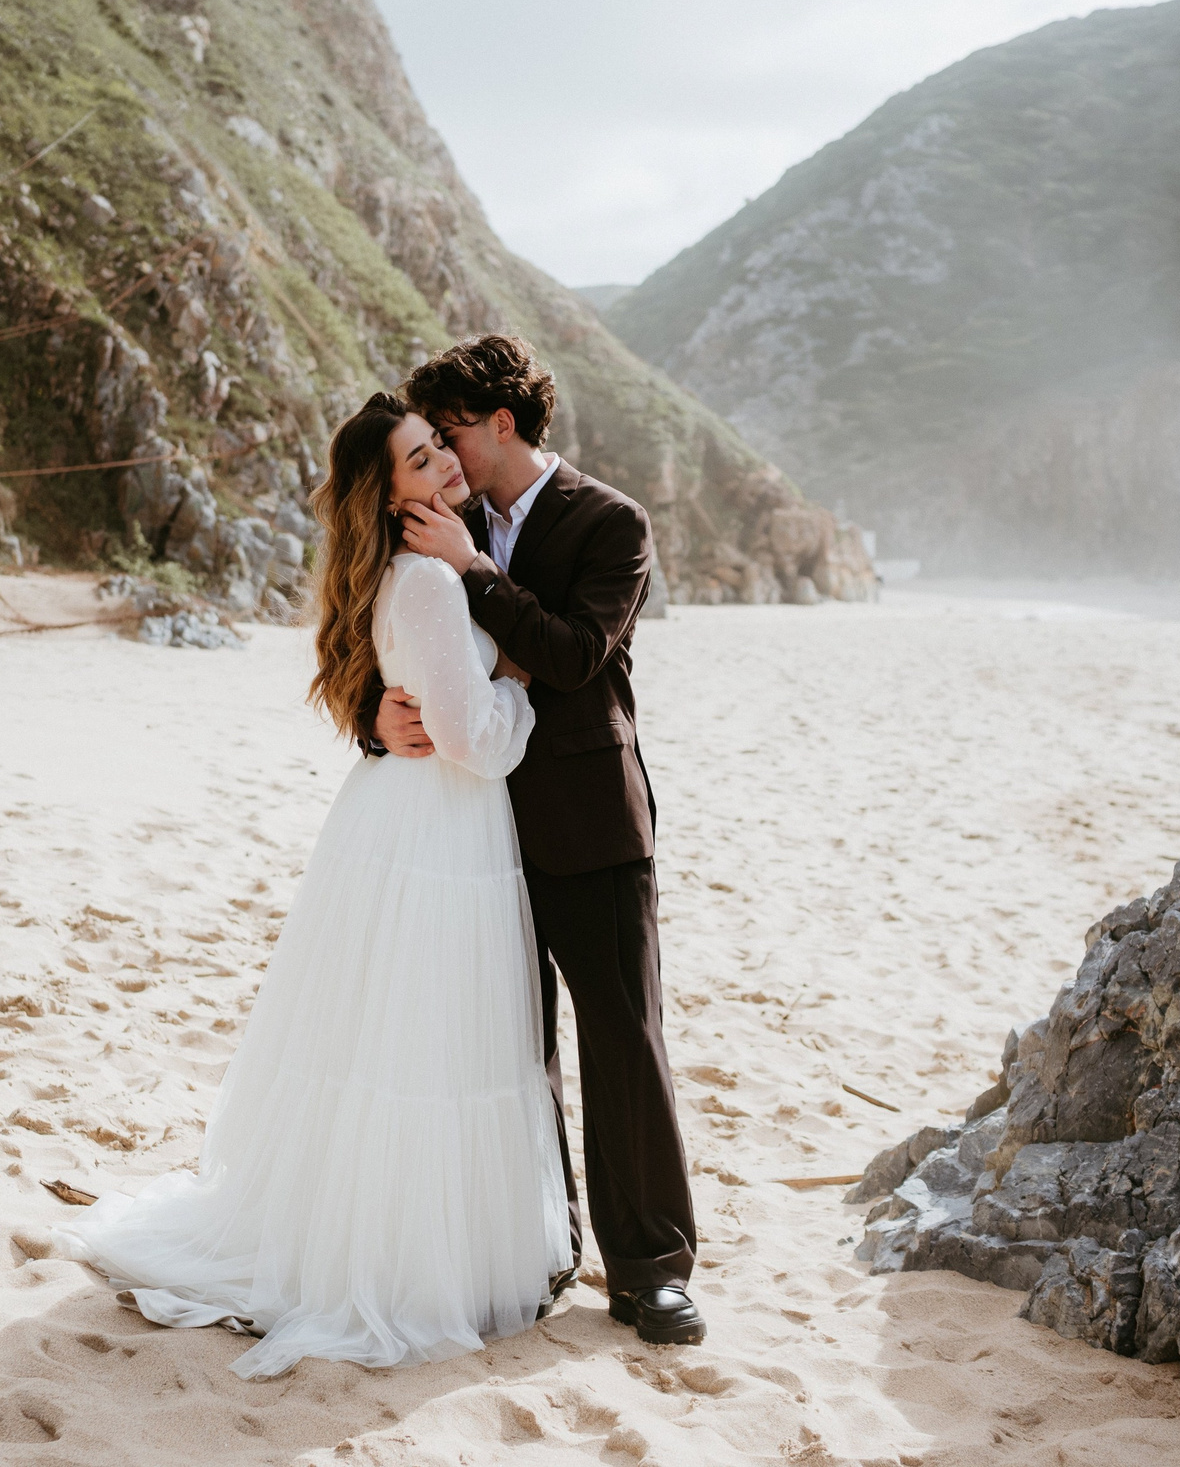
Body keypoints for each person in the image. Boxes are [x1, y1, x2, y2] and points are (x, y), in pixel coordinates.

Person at [61, 393, 572, 1379]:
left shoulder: (410, 573)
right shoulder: (426, 582)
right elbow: (472, 742)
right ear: (389, 496)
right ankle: (402, 1260)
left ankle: (404, 1239)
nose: (444, 469)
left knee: (402, 1038)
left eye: (438, 449)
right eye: (421, 464)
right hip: (442, 824)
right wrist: (520, 684)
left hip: (407, 818)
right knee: (425, 1041)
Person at [373, 332, 703, 1348]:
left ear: (499, 424)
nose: (439, 455)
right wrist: (373, 720)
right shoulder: (439, 521)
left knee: (621, 1040)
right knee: (512, 1049)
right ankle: (540, 1246)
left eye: (450, 433)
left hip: (591, 823)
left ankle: (650, 1269)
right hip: (474, 832)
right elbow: (383, 637)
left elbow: (568, 656)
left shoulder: (611, 521)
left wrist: (473, 571)